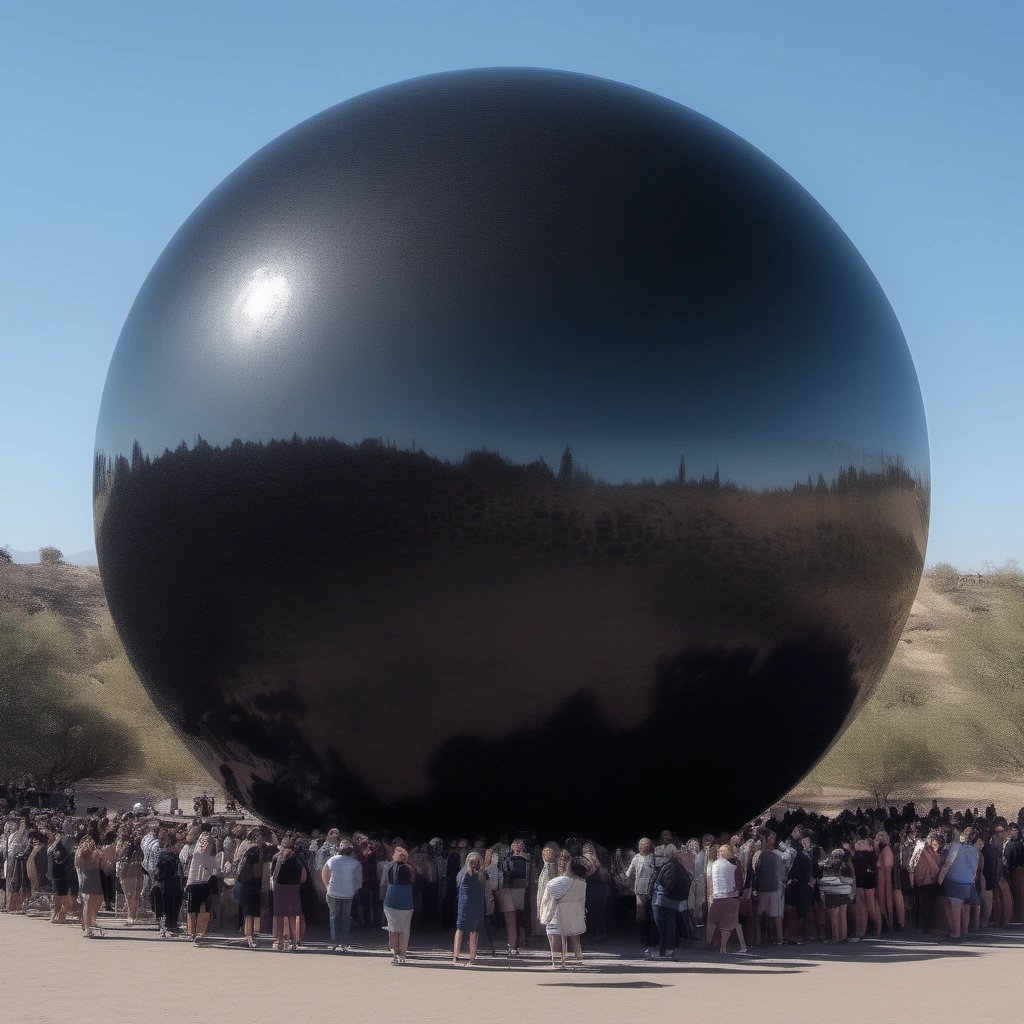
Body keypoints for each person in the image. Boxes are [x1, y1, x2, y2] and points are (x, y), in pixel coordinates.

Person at [540, 857, 588, 968]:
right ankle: (577, 957)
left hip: (559, 912)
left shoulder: (557, 882)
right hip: (575, 914)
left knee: (554, 934)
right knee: (570, 935)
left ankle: (556, 960)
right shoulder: (582, 884)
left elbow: (552, 895)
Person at [937, 825, 981, 942]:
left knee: (954, 908)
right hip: (967, 881)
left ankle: (955, 933)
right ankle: (958, 931)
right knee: (958, 907)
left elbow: (947, 865)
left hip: (953, 880)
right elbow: (974, 868)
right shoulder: (975, 851)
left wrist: (939, 880)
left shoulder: (955, 847)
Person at [650, 848, 690, 959]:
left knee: (662, 926)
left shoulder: (670, 866)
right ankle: (667, 950)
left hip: (662, 899)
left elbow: (667, 883)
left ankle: (664, 951)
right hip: (670, 900)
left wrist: (661, 891)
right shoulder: (677, 867)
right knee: (668, 925)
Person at [322, 839, 362, 952]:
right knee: (346, 917)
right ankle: (344, 942)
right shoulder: (356, 863)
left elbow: (324, 872)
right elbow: (358, 880)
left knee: (334, 916)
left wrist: (327, 886)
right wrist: (353, 889)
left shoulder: (332, 860)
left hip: (333, 891)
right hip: (348, 893)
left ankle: (334, 942)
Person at [708, 843, 748, 954]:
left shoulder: (734, 864)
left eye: (722, 851)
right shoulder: (720, 864)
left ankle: (723, 948)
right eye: (719, 851)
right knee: (734, 923)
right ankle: (741, 946)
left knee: (728, 923)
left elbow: (738, 880)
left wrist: (738, 894)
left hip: (730, 896)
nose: (720, 853)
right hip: (722, 896)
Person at [271, 837, 307, 952]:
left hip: (280, 888)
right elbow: (302, 876)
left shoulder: (276, 857)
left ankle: (280, 942)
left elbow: (273, 874)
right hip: (293, 888)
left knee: (279, 915)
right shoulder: (297, 857)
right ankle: (294, 942)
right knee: (293, 915)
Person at [498, 837, 533, 953]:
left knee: (517, 916)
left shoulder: (522, 858)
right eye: (516, 844)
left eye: (519, 845)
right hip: (517, 887)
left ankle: (518, 942)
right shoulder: (513, 858)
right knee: (517, 917)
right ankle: (518, 942)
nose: (517, 847)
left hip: (518, 888)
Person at [184, 831, 219, 944]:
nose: (207, 844)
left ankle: (201, 932)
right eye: (204, 841)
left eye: (209, 841)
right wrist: (203, 844)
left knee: (204, 909)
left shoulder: (212, 855)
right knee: (193, 909)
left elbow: (215, 869)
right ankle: (191, 932)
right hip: (194, 884)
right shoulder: (197, 853)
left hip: (206, 883)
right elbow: (199, 852)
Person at [381, 845, 415, 964]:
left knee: (393, 929)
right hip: (406, 900)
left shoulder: (389, 867)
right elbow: (412, 880)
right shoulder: (409, 868)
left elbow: (385, 883)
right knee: (404, 930)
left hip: (391, 899)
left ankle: (395, 953)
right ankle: (403, 954)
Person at [752, 829, 786, 946]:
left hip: (766, 888)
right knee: (773, 915)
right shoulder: (771, 856)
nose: (772, 840)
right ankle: (777, 938)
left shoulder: (761, 856)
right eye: (770, 838)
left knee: (762, 914)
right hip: (771, 888)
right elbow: (781, 874)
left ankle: (760, 939)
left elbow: (756, 871)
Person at [453, 851, 485, 965]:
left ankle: (455, 956)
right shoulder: (481, 874)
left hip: (464, 904)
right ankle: (472, 958)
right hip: (476, 905)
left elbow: (457, 883)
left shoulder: (463, 873)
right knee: (474, 931)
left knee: (460, 929)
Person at [624, 837, 655, 953]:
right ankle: (644, 941)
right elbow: (629, 873)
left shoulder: (653, 857)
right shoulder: (636, 858)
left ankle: (652, 940)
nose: (644, 846)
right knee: (642, 917)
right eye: (641, 844)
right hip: (639, 890)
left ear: (650, 846)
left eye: (646, 844)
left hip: (651, 889)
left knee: (651, 916)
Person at [818, 848, 855, 944]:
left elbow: (825, 879)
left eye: (835, 857)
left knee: (834, 917)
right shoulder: (846, 867)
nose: (834, 859)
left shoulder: (829, 867)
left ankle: (835, 937)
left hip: (833, 895)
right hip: (844, 894)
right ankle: (843, 937)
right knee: (842, 916)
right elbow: (850, 881)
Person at [75, 836, 104, 938]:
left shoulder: (96, 852)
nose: (89, 844)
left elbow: (103, 862)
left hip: (96, 880)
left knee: (96, 903)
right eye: (86, 842)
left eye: (91, 842)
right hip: (86, 880)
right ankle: (87, 928)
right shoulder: (81, 854)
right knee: (87, 903)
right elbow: (82, 866)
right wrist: (91, 854)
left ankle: (90, 922)